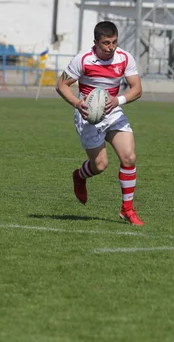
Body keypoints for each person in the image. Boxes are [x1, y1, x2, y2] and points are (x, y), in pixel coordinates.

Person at [55, 21, 144, 226]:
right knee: (100, 165)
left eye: (113, 42)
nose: (110, 47)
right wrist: (78, 103)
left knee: (129, 157)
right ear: (96, 42)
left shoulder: (124, 58)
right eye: (105, 43)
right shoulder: (83, 59)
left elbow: (136, 89)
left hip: (113, 110)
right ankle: (79, 176)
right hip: (88, 114)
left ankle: (127, 209)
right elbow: (61, 85)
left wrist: (118, 100)